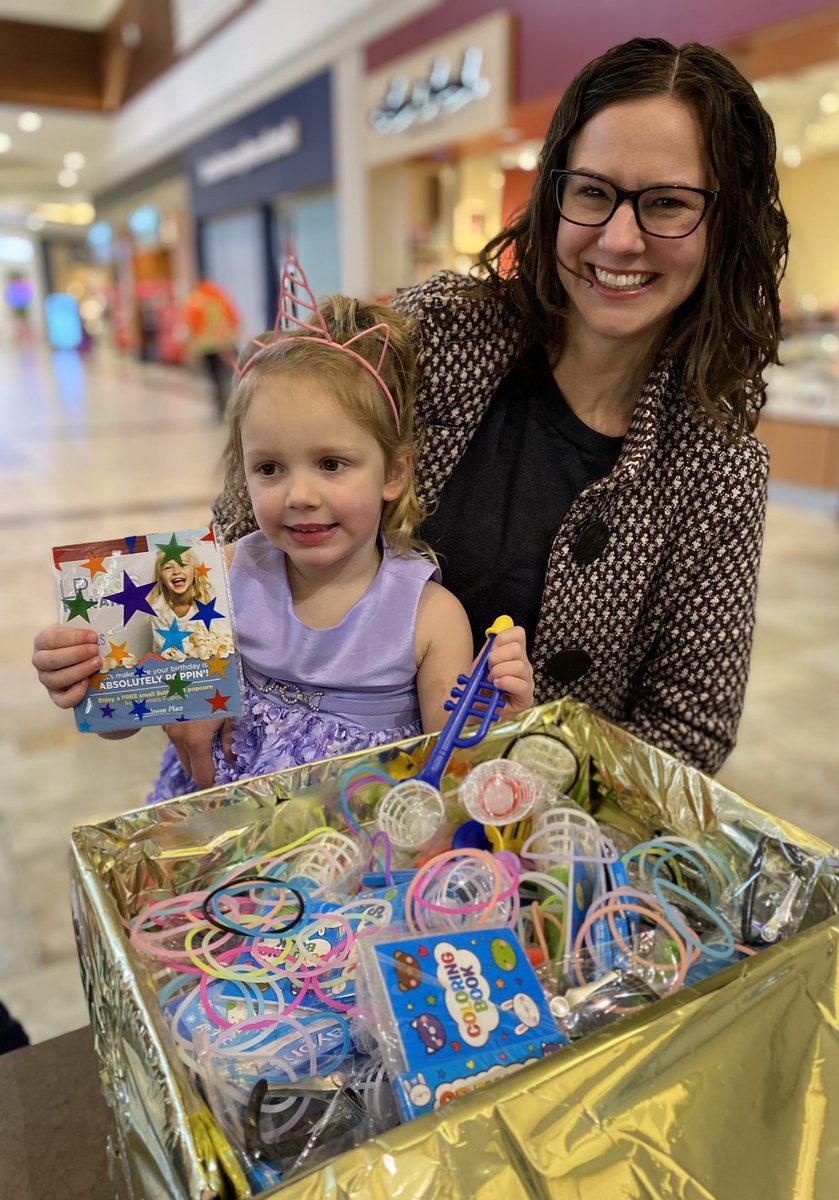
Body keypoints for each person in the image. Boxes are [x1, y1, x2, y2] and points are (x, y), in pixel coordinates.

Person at [208, 37, 788, 782]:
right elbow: (237, 519)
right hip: (298, 808)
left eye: (667, 203)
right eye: (592, 191)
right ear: (554, 193)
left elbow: (689, 731)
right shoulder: (442, 333)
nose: (618, 237)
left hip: (517, 847)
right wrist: (176, 677)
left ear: (726, 223)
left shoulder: (717, 471)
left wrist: (534, 761)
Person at [32, 282, 534, 801]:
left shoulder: (428, 618)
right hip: (219, 838)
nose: (299, 495)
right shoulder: (216, 577)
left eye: (331, 464)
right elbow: (134, 710)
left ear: (395, 472)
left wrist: (497, 716)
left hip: (350, 852)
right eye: (270, 468)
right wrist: (82, 672)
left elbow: (450, 775)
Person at [182, 279, 241, 416]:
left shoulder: (195, 301)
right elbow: (234, 318)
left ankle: (221, 408)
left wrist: (189, 349)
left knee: (215, 379)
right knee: (231, 376)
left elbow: (192, 326)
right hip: (226, 343)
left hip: (207, 347)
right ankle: (235, 406)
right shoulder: (220, 297)